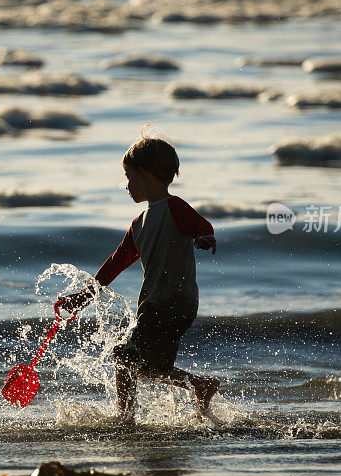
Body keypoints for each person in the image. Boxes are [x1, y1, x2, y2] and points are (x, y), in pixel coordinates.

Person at [58, 133, 220, 422]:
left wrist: (204, 236)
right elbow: (115, 263)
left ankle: (125, 417)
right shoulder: (139, 224)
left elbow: (200, 224)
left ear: (143, 175)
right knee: (144, 364)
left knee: (125, 357)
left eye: (129, 177)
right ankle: (198, 385)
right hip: (155, 303)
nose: (127, 185)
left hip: (174, 302)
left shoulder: (175, 208)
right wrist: (83, 296)